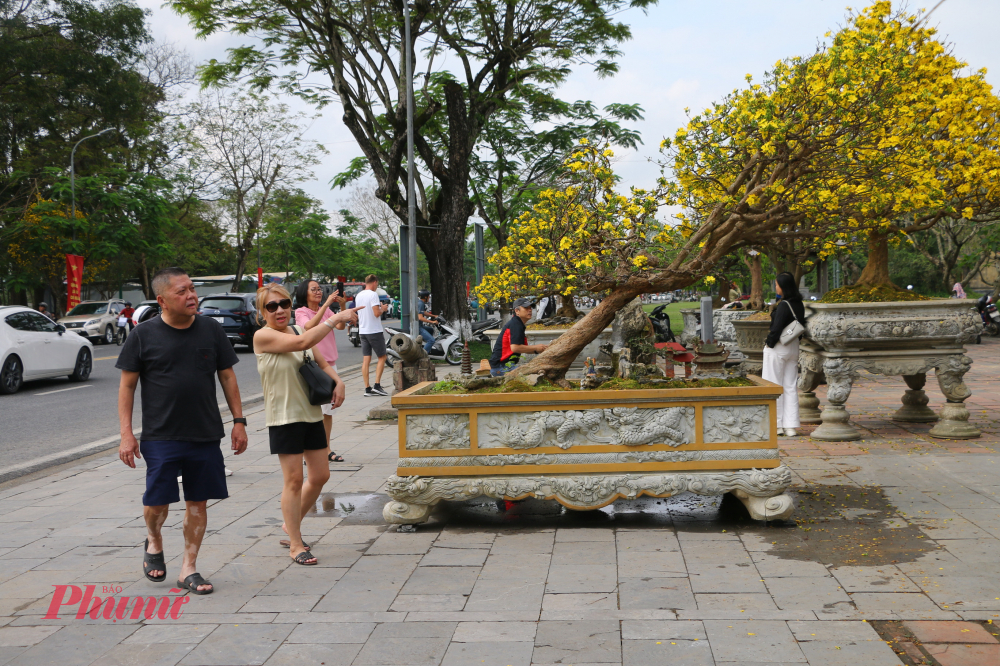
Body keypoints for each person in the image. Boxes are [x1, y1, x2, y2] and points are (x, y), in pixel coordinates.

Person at [116, 267, 248, 595]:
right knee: (158, 502)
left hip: (204, 432)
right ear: (162, 300)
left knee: (197, 504)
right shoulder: (143, 335)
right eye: (182, 291)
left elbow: (227, 376)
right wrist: (126, 434)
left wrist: (239, 421)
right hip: (160, 435)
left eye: (192, 288)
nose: (191, 296)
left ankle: (189, 568)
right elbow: (127, 386)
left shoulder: (210, 329)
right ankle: (154, 538)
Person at [253, 284, 359, 565]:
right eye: (271, 306)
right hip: (284, 417)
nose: (279, 310)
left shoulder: (299, 330)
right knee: (294, 480)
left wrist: (339, 381)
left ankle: (290, 524)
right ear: (262, 312)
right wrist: (335, 318)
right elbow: (302, 345)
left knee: (321, 475)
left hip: (311, 414)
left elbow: (321, 362)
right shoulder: (262, 336)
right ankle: (295, 544)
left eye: (284, 304)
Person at [294, 280, 348, 463]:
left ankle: (326, 448)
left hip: (329, 366)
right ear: (305, 293)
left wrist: (342, 306)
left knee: (328, 411)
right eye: (314, 289)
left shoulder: (326, 311)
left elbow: (340, 326)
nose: (318, 292)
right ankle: (307, 450)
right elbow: (308, 327)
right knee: (311, 409)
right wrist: (326, 305)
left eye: (319, 289)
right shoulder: (301, 312)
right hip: (312, 366)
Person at [763, 272, 806, 438]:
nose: (776, 287)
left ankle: (777, 425)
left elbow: (776, 329)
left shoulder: (783, 305)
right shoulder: (798, 304)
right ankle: (791, 426)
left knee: (773, 385)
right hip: (793, 346)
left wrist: (769, 343)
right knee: (790, 386)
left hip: (779, 347)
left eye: (777, 284)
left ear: (783, 286)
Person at [489, 298, 550, 376]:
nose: (530, 310)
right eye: (526, 308)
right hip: (501, 367)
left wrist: (541, 349)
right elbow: (515, 348)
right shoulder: (515, 325)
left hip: (504, 366)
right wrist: (536, 347)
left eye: (530, 308)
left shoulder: (517, 323)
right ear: (517, 311)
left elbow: (523, 348)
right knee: (534, 374)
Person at [355, 274, 390, 397]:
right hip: (374, 330)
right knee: (382, 357)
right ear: (374, 282)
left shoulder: (359, 295)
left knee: (366, 359)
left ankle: (367, 388)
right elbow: (376, 313)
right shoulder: (373, 294)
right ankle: (377, 385)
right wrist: (383, 308)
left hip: (363, 330)